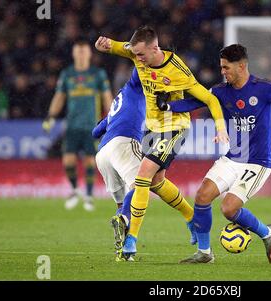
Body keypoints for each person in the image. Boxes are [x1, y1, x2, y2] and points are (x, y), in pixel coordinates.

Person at [157, 44, 271, 264]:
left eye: (226, 67)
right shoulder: (220, 91)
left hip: (258, 163)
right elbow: (195, 101)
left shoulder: (263, 88)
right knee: (202, 196)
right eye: (221, 67)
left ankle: (267, 233)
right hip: (232, 157)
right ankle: (205, 253)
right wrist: (168, 107)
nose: (223, 72)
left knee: (228, 208)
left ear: (242, 66)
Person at [95, 25, 229, 260]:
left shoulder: (178, 70)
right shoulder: (137, 54)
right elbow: (118, 47)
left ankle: (131, 242)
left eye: (141, 55)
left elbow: (209, 98)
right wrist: (105, 45)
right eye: (135, 54)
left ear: (155, 48)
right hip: (153, 129)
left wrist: (220, 127)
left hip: (175, 127)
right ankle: (191, 218)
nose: (137, 59)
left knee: (143, 176)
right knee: (157, 181)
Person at [92, 67, 197, 261]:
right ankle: (124, 220)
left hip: (103, 153)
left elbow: (95, 131)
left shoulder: (120, 99)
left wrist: (109, 123)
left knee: (124, 201)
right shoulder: (137, 84)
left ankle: (123, 252)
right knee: (141, 185)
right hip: (123, 144)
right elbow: (140, 67)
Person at [42, 38, 113, 211]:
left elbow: (106, 97)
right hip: (72, 125)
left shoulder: (98, 74)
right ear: (74, 53)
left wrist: (112, 118)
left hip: (91, 126)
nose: (81, 54)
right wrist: (51, 116)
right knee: (68, 161)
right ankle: (74, 190)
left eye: (84, 51)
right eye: (78, 51)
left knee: (90, 161)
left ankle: (88, 196)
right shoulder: (67, 74)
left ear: (89, 53)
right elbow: (59, 97)